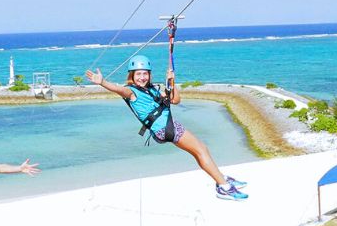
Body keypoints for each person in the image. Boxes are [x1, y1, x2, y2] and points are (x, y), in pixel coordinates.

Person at [85, 55, 248, 201]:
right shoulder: (131, 92)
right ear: (132, 76)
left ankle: (220, 178)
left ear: (149, 74)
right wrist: (103, 82)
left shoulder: (152, 90)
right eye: (138, 74)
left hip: (165, 128)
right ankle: (223, 186)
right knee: (202, 150)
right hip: (166, 128)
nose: (142, 77)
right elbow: (118, 89)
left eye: (145, 73)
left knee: (198, 151)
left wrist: (171, 82)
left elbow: (175, 100)